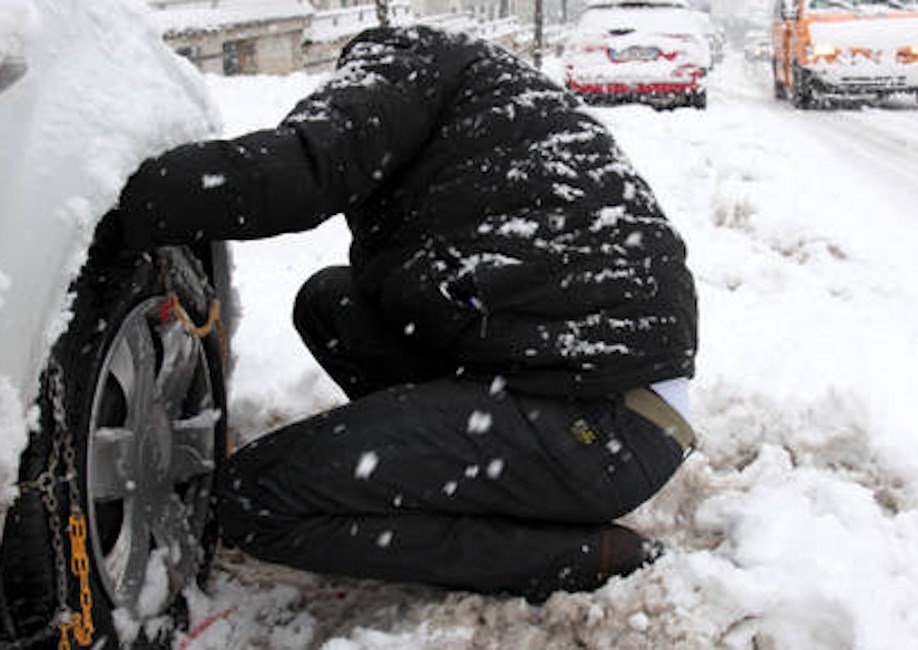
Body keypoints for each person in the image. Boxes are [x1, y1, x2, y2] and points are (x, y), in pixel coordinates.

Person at [98, 25, 698, 602]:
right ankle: (442, 472)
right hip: (588, 391)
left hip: (598, 426)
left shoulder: (402, 65)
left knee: (256, 499)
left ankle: (571, 556)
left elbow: (301, 170)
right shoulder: (475, 88)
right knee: (330, 303)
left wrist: (116, 201)